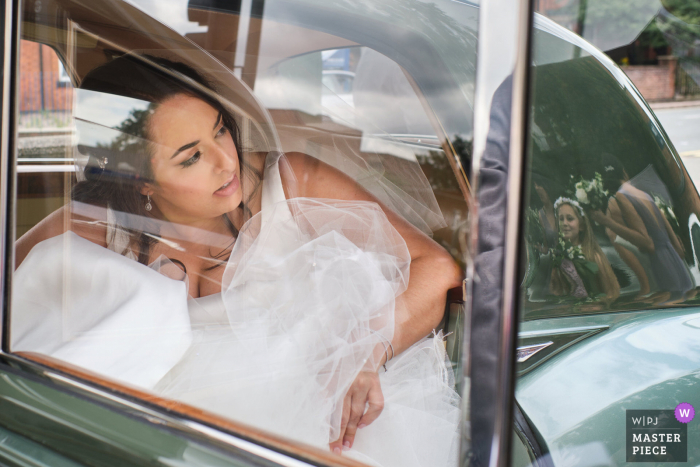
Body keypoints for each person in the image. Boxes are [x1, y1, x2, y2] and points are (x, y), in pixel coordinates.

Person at [11, 55, 463, 466]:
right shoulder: (97, 225)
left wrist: (367, 353)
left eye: (220, 130)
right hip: (164, 439)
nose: (227, 162)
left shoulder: (292, 183)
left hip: (320, 425)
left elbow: (436, 266)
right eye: (191, 158)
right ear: (141, 182)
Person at [592, 155, 693, 301]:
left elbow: (648, 244)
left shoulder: (620, 196)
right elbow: (676, 243)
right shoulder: (644, 194)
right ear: (624, 172)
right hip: (675, 260)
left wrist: (607, 221)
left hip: (660, 263)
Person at [549, 197, 620, 301]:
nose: (564, 223)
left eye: (570, 218)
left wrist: (595, 305)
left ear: (581, 225)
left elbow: (610, 293)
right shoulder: (557, 257)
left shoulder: (593, 256)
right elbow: (555, 290)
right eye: (560, 219)